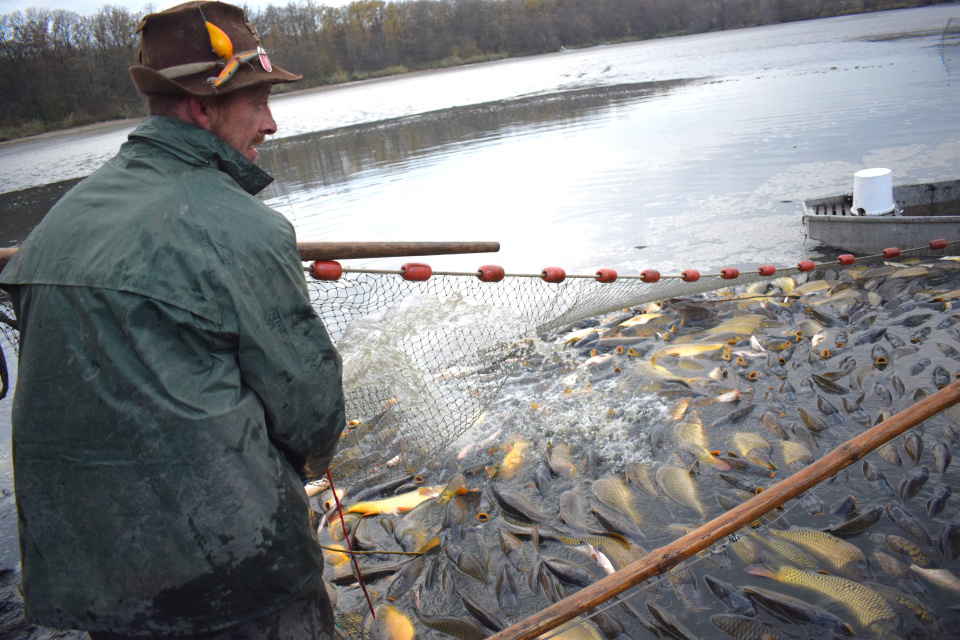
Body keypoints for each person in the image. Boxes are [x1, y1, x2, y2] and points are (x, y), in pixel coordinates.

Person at [0, 2, 345, 638]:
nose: (270, 122)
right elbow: (312, 416)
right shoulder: (247, 229)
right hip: (239, 581)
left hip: (94, 590)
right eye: (258, 100)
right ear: (202, 107)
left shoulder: (48, 232)